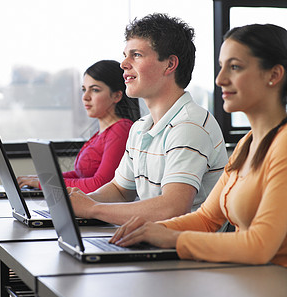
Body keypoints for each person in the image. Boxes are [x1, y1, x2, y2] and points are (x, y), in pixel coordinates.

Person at [110, 23, 287, 267]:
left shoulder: (284, 145)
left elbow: (258, 247)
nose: (220, 79)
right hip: (247, 279)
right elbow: (206, 218)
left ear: (274, 75)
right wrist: (148, 231)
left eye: (234, 67)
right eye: (221, 67)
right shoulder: (248, 143)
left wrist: (174, 238)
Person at [67, 13, 228, 226]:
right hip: (155, 239)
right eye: (125, 55)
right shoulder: (141, 127)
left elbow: (173, 207)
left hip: (189, 251)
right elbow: (120, 190)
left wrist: (92, 208)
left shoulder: (190, 125)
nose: (123, 63)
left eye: (136, 55)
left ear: (170, 64)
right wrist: (78, 202)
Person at [17, 60, 140, 193]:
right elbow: (80, 175)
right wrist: (42, 179)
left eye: (95, 90)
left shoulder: (121, 130)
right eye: (84, 90)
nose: (85, 97)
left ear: (116, 95)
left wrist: (45, 183)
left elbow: (100, 185)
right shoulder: (101, 132)